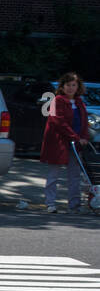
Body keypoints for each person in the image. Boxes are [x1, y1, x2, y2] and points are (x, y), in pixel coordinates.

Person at [41, 72, 92, 213]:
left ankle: (74, 205)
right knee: (53, 174)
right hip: (59, 143)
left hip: (75, 144)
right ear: (62, 87)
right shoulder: (56, 101)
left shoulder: (80, 102)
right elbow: (59, 122)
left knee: (75, 175)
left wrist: (84, 137)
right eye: (67, 85)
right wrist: (75, 137)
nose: (70, 88)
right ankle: (50, 203)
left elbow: (83, 123)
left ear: (78, 87)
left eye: (73, 85)